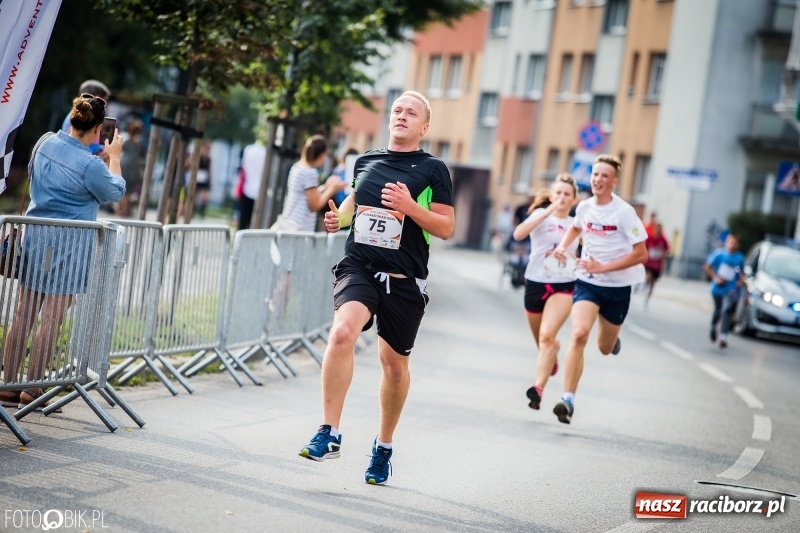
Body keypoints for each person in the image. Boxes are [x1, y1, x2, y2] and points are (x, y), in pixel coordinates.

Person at [298, 90, 454, 486]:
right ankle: (329, 431)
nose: (401, 115)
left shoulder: (433, 169)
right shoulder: (366, 160)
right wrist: (340, 221)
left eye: (411, 112)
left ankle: (383, 447)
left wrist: (410, 207)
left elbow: (446, 227)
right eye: (397, 110)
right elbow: (354, 203)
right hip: (361, 266)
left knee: (394, 367)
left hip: (404, 280)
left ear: (424, 126)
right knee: (342, 333)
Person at [1, 93, 125, 410]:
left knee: (23, 314)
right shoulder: (90, 165)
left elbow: (31, 171)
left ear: (72, 118)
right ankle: (33, 388)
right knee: (52, 318)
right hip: (70, 247)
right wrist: (115, 157)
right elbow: (115, 191)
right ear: (99, 129)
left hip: (35, 239)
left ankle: (9, 383)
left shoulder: (44, 143)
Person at [551, 154, 648, 424]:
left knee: (604, 347)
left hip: (618, 286)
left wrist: (603, 268)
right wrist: (562, 247)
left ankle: (611, 340)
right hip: (587, 282)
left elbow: (641, 254)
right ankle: (567, 399)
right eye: (595, 174)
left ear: (614, 182)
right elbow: (575, 229)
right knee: (579, 334)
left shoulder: (625, 213)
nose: (598, 180)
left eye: (604, 176)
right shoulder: (584, 207)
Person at [511, 174, 579, 411]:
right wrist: (547, 211)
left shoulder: (576, 223)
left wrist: (571, 257)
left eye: (567, 194)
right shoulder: (540, 216)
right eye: (558, 193)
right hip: (536, 282)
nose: (562, 197)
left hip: (563, 284)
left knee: (547, 335)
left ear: (574, 199)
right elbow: (518, 234)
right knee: (542, 341)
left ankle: (538, 388)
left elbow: (586, 256)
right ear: (552, 196)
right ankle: (551, 356)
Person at [271, 135, 347, 232]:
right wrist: (332, 189)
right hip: (300, 228)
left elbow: (307, 194)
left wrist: (326, 186)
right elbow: (315, 205)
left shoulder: (297, 167)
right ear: (322, 155)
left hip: (290, 222)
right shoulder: (310, 173)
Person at [704, 233, 745, 349]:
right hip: (717, 288)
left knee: (726, 309)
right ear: (726, 242)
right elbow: (707, 266)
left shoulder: (739, 258)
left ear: (737, 245)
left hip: (730, 288)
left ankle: (723, 336)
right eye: (730, 242)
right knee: (718, 310)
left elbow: (742, 273)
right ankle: (713, 327)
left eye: (734, 242)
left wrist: (741, 282)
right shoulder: (719, 254)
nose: (732, 244)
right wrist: (715, 278)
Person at [60, 80, 111, 156]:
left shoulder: (77, 116)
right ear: (91, 97)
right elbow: (78, 144)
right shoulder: (77, 118)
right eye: (101, 101)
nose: (104, 107)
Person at [117, 118, 145, 217]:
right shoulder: (139, 142)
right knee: (128, 192)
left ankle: (122, 210)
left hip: (125, 166)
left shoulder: (126, 139)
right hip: (133, 169)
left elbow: (120, 150)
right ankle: (125, 210)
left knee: (122, 189)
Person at [239, 138, 266, 230]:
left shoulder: (249, 149)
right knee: (255, 221)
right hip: (261, 191)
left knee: (243, 218)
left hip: (247, 187)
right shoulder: (266, 152)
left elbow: (244, 167)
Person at [643, 222, 670, 310]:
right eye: (657, 229)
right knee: (648, 276)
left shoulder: (663, 240)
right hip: (649, 263)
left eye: (660, 229)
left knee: (652, 284)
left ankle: (646, 300)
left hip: (658, 266)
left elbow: (668, 251)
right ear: (655, 229)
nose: (658, 231)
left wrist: (663, 254)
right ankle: (645, 283)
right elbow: (644, 246)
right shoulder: (650, 237)